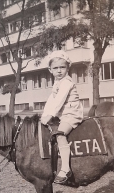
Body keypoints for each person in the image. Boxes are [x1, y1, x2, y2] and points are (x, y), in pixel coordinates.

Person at [41, 50, 83, 184]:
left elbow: (59, 100)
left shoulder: (66, 82)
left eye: (62, 67)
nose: (59, 71)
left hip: (71, 114)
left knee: (60, 134)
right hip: (62, 114)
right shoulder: (57, 83)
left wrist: (51, 115)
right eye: (55, 68)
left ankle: (66, 168)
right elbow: (51, 100)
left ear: (68, 68)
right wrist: (44, 115)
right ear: (50, 70)